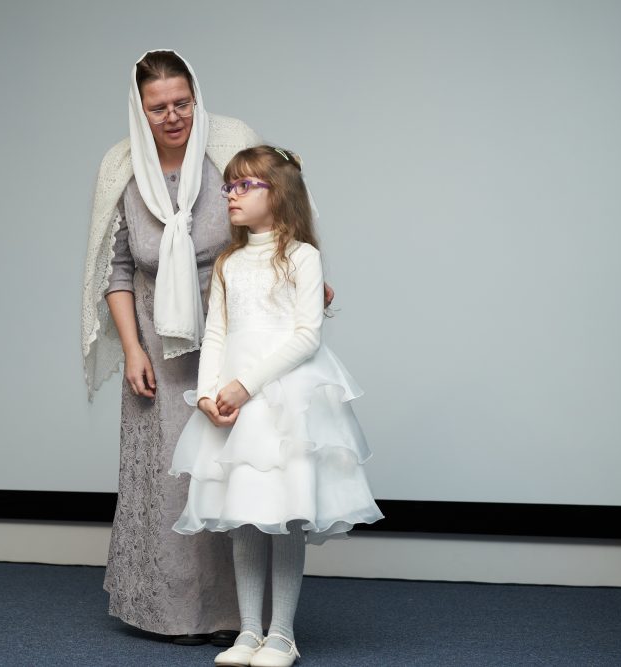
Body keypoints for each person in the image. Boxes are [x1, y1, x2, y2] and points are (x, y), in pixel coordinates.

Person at [169, 146, 384, 667]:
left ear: (279, 192)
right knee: (245, 513)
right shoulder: (229, 262)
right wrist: (207, 392)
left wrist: (246, 384)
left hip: (284, 400)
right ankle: (248, 632)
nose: (232, 195)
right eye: (230, 186)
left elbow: (307, 335)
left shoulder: (302, 257)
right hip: (235, 405)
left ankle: (282, 634)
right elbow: (216, 333)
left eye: (245, 186)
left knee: (285, 513)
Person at [81, 50, 264, 644]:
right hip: (158, 343)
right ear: (139, 110)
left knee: (230, 468)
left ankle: (238, 616)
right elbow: (117, 269)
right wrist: (133, 348)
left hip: (235, 332)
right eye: (158, 107)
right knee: (169, 481)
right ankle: (173, 615)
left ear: (196, 97)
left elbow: (273, 223)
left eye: (182, 103)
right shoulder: (122, 167)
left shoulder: (229, 146)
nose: (173, 117)